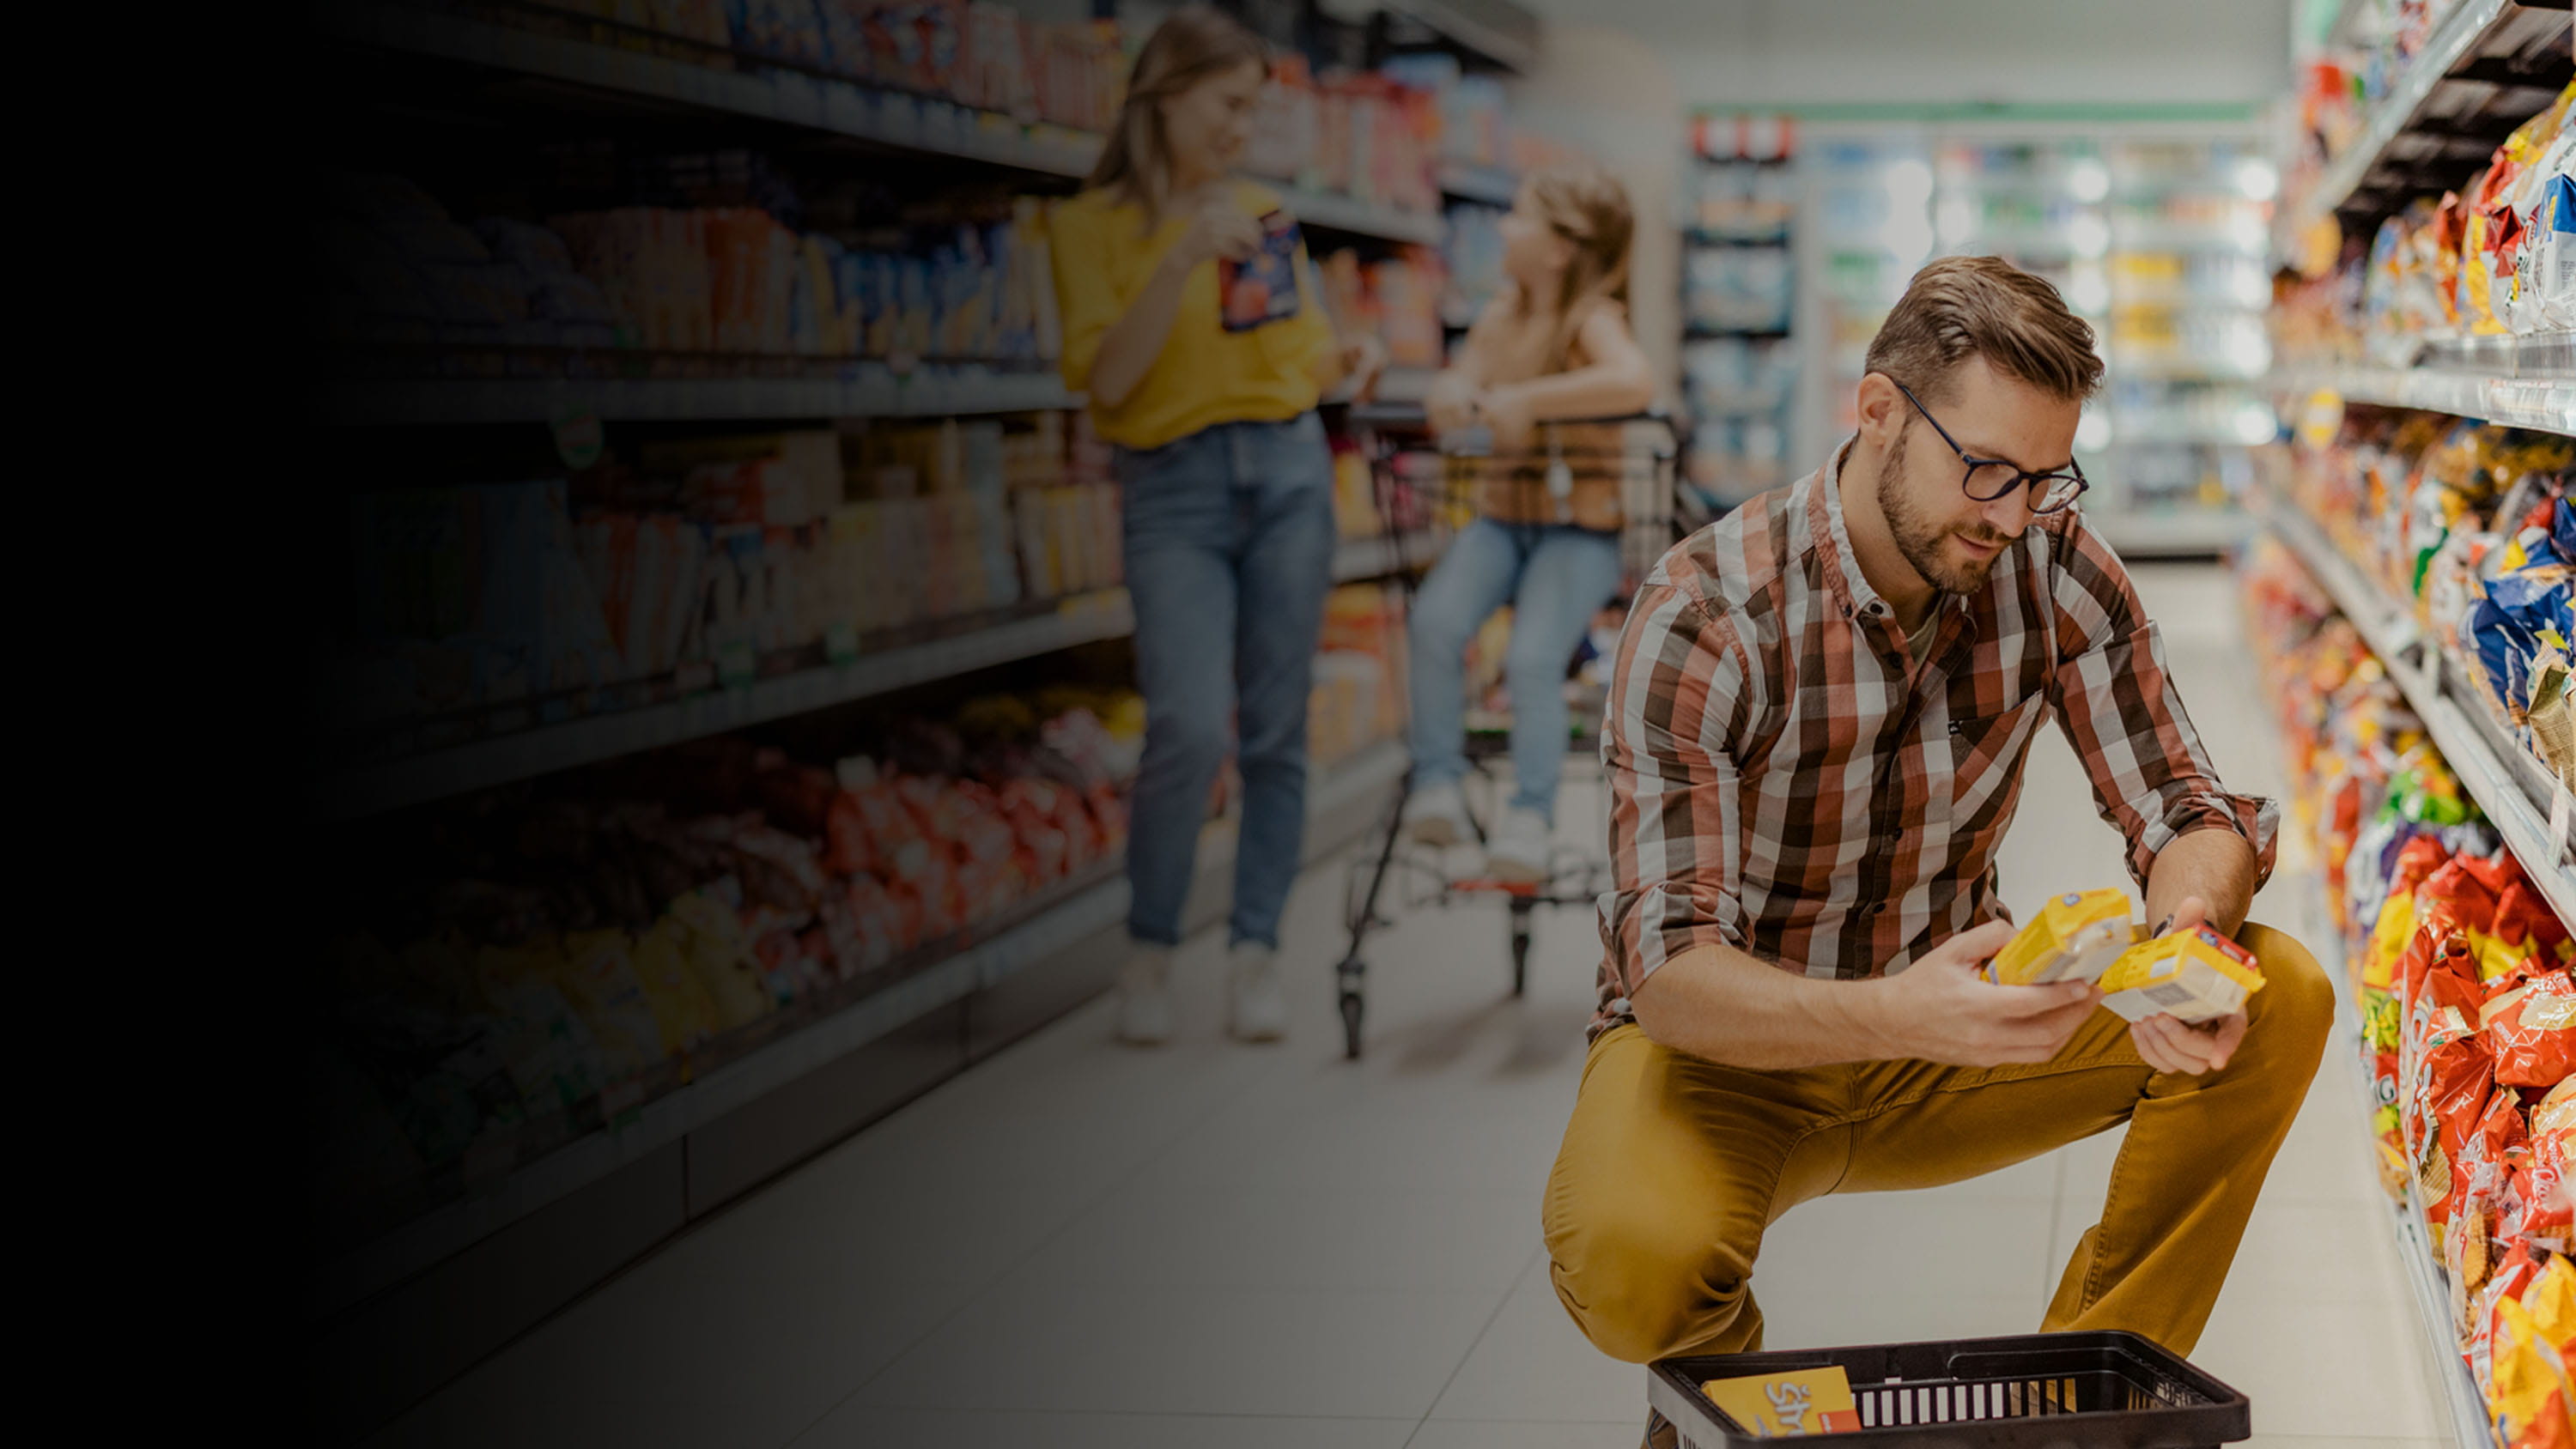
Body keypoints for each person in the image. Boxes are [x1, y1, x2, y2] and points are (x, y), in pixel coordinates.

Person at [1536, 257, 2333, 1446]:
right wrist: (1896, 1016)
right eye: (1986, 471)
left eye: (2046, 479)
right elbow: (1670, 971)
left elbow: (2185, 806)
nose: (2012, 516)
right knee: (1634, 1256)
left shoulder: (2055, 567)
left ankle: (2079, 1410)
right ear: (1875, 413)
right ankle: (1726, 1425)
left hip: (1965, 1025)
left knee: (2279, 999)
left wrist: (2186, 943)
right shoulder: (1706, 615)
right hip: (1730, 1049)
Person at [1048, 5, 1382, 1047]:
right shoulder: (1090, 226)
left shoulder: (1265, 211)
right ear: (1166, 94)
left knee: (1277, 733)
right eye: (1230, 104)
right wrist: (1180, 254)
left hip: (1286, 469)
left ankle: (1255, 953)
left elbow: (1301, 354)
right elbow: (1107, 378)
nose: (1244, 128)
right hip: (1173, 487)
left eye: (1254, 107)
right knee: (1188, 725)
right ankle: (1150, 949)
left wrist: (1348, 362)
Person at [1402, 167, 1657, 882]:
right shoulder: (1500, 315)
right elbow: (1459, 378)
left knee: (1532, 659)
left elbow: (1633, 380)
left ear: (1557, 248)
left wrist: (1530, 400)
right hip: (1503, 516)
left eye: (1518, 217)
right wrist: (1453, 392)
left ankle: (1530, 817)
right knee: (1434, 623)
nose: (1503, 230)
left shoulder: (1592, 317)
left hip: (1580, 528)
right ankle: (1439, 785)